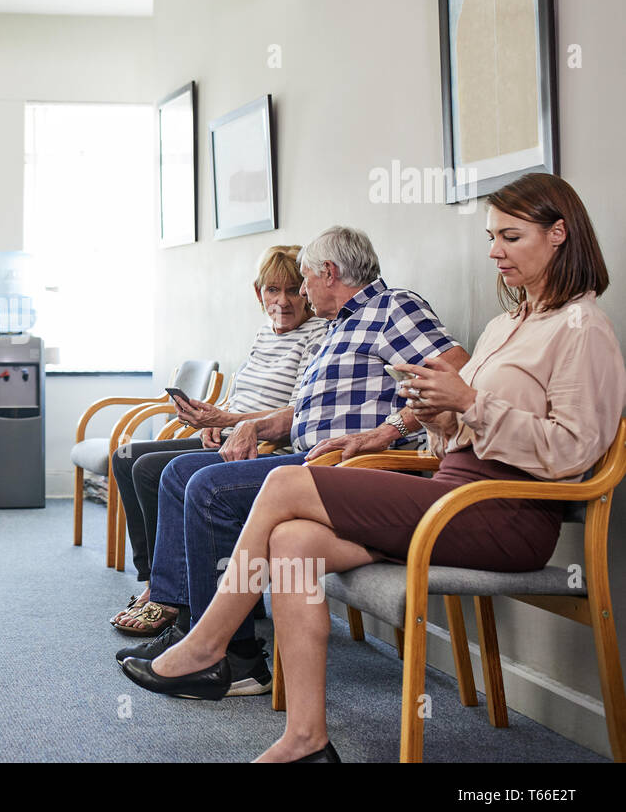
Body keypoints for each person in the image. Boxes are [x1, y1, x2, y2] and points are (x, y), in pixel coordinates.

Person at [119, 173, 626, 761]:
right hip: (450, 491)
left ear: (559, 234)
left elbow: (575, 453)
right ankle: (306, 740)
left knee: (284, 481)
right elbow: (466, 431)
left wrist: (469, 403)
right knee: (291, 540)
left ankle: (208, 644)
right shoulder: (505, 325)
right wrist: (437, 418)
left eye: (510, 237)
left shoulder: (583, 329)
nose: (494, 251)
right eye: (492, 236)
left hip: (502, 515)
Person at [115, 226, 470, 698]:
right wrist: (252, 426)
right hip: (308, 457)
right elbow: (303, 415)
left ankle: (236, 659)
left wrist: (389, 431)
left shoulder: (393, 307)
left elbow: (457, 372)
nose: (300, 292)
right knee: (181, 472)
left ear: (328, 272)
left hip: (357, 469)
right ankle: (194, 633)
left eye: (303, 280)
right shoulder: (336, 327)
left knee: (208, 487)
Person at [110, 245, 327, 635]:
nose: (282, 301)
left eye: (293, 290)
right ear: (257, 292)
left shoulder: (314, 336)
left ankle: (170, 595)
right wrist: (214, 416)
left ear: (307, 292)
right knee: (127, 458)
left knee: (153, 470)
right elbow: (245, 395)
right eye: (272, 290)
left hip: (261, 445)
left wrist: (227, 420)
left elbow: (295, 411)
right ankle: (154, 582)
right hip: (227, 434)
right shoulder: (264, 334)